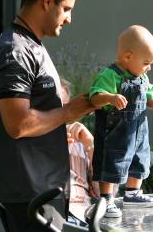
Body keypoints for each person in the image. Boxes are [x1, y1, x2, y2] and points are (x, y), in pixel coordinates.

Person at [0, 0, 95, 232]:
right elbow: (18, 124)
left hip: (40, 192)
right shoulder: (15, 51)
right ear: (48, 1)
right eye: (66, 8)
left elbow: (38, 116)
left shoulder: (31, 45)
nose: (68, 18)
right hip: (30, 196)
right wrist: (69, 112)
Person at [89, 25, 153, 218]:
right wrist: (109, 97)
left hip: (138, 130)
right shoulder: (110, 75)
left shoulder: (142, 77)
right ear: (127, 56)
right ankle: (106, 198)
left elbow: (147, 95)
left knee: (139, 160)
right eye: (146, 62)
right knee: (112, 161)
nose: (149, 68)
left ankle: (132, 194)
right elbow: (94, 97)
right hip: (116, 131)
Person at [60, 78, 99, 223]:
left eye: (65, 107)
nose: (60, 113)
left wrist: (91, 145)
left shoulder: (81, 142)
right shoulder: (33, 143)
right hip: (50, 211)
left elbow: (104, 193)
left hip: (81, 214)